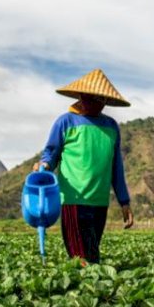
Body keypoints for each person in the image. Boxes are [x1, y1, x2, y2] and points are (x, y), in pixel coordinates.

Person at [35, 68, 134, 265]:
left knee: (92, 253)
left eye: (99, 99)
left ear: (104, 101)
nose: (94, 103)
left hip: (99, 202)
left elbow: (116, 167)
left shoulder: (111, 126)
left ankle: (91, 290)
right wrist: (44, 165)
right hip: (74, 199)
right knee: (81, 257)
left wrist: (124, 202)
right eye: (89, 98)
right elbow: (52, 153)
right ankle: (85, 291)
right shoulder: (66, 121)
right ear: (81, 96)